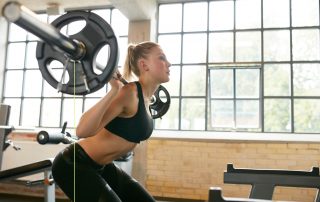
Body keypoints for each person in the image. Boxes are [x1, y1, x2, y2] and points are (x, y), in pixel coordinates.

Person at [51, 41, 171, 202]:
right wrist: (114, 90)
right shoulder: (130, 93)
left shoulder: (146, 99)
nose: (169, 63)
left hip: (103, 166)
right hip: (74, 164)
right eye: (162, 58)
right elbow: (82, 131)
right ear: (144, 65)